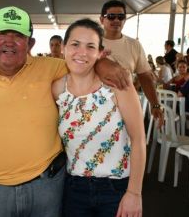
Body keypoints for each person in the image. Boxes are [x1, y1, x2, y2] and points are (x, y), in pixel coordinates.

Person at [0, 6, 133, 217]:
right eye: (2, 34)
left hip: (45, 186)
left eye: (19, 36)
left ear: (30, 44)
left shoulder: (50, 67)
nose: (9, 41)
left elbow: (82, 61)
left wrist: (103, 63)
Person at [52, 18, 145, 217]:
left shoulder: (117, 84)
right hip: (74, 189)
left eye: (90, 46)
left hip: (116, 188)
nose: (82, 52)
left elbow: (139, 139)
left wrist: (134, 192)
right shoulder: (57, 89)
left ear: (100, 53)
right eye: (75, 44)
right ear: (64, 48)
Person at [99, 0, 163, 126]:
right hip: (96, 107)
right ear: (102, 20)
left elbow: (145, 76)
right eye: (111, 16)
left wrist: (155, 103)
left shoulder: (134, 45)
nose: (116, 20)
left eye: (121, 16)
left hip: (126, 106)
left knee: (128, 142)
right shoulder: (91, 43)